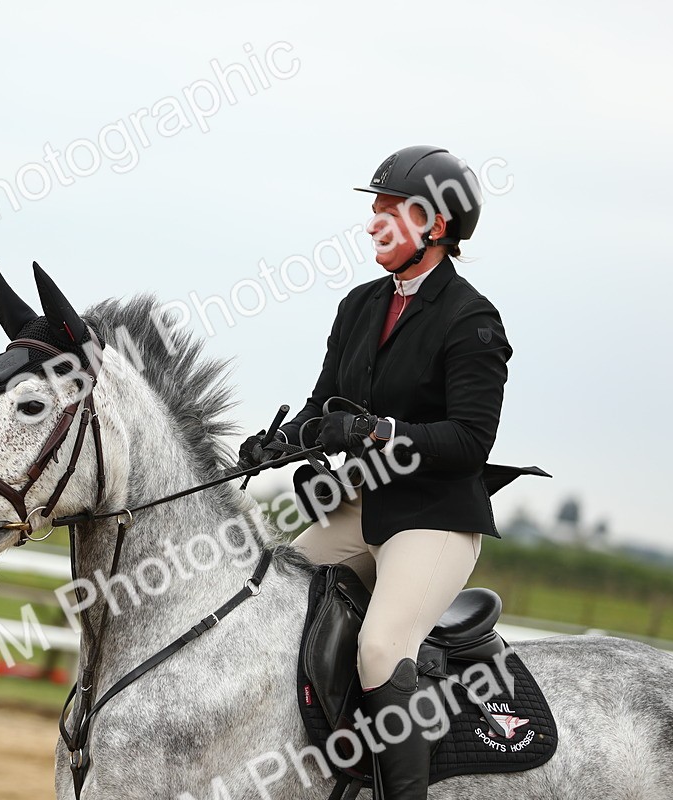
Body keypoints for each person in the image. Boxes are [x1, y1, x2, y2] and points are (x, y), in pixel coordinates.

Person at [239, 145, 512, 799]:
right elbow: (324, 406)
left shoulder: (472, 321)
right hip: (360, 509)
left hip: (433, 518)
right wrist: (281, 442)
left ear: (435, 227)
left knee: (381, 648)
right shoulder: (360, 305)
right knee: (268, 610)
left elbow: (469, 440)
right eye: (375, 210)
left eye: (390, 212)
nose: (372, 225)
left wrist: (376, 431)